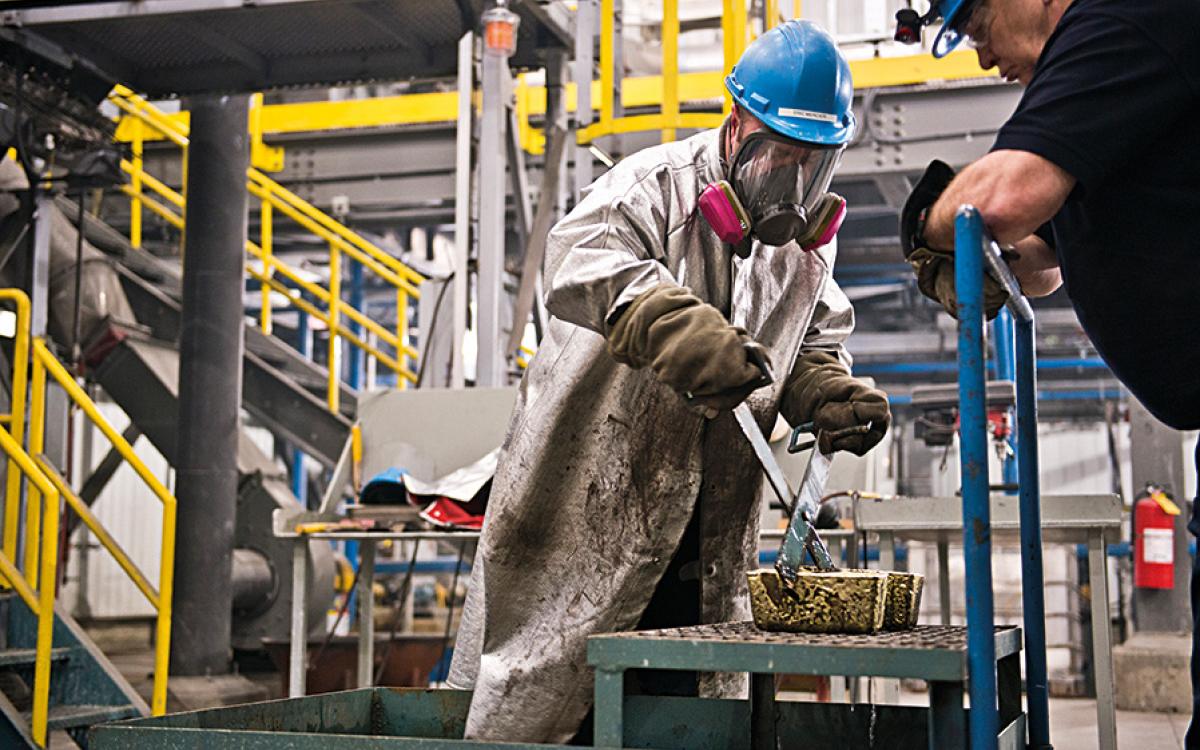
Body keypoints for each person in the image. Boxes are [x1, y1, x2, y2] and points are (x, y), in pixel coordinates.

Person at [447, 20, 891, 744]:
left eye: (812, 166)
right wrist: (670, 324)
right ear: (734, 126)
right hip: (590, 506)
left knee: (684, 717)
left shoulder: (802, 250)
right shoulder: (650, 190)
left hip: (705, 535)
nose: (792, 183)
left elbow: (811, 333)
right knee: (559, 706)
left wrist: (822, 387)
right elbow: (578, 260)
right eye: (776, 155)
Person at [894, 0, 1200, 744]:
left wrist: (930, 225)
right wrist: (982, 255)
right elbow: (1039, 265)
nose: (980, 58)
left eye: (974, 29)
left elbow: (1001, 200)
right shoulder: (1110, 87)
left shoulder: (1121, 19)